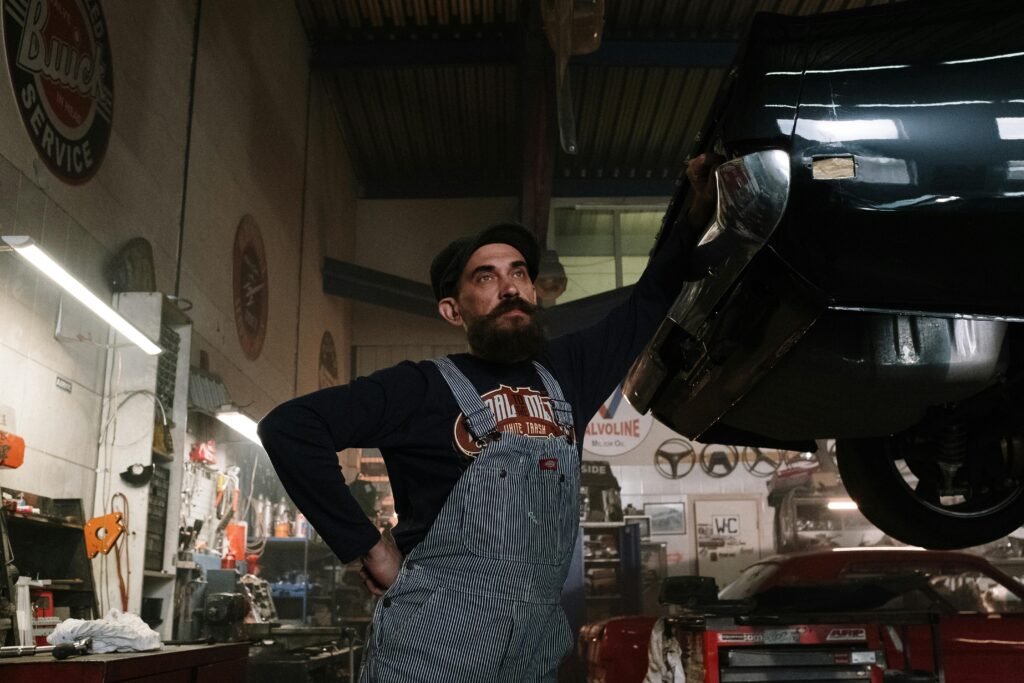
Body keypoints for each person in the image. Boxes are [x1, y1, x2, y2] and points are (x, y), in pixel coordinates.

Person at [258, 154, 720, 682]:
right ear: (454, 310)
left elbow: (652, 296)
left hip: (533, 650)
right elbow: (289, 428)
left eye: (519, 273)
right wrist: (370, 549)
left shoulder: (568, 371)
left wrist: (694, 211)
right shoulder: (421, 387)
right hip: (433, 650)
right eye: (486, 277)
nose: (510, 287)